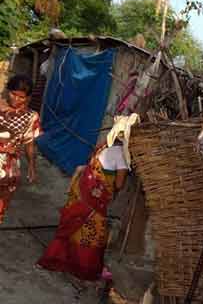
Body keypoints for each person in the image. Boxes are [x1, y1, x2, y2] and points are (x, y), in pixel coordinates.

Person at [36, 120, 132, 281]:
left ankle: (59, 257)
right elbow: (119, 184)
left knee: (73, 226)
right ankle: (82, 266)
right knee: (92, 233)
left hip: (81, 192)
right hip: (94, 200)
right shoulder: (121, 156)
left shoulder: (103, 147)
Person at [0, 75, 41, 224]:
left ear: (28, 98)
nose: (16, 99)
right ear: (7, 90)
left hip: (9, 168)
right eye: (13, 94)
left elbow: (29, 143)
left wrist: (31, 166)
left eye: (21, 97)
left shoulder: (31, 117)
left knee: (2, 203)